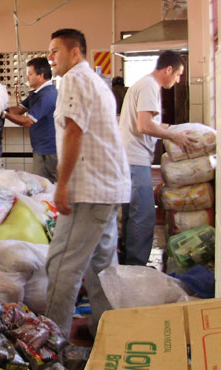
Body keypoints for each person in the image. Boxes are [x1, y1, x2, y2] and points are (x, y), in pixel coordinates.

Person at [44, 29, 131, 338]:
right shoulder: (95, 81)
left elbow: (74, 131)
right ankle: (111, 330)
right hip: (108, 188)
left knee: (62, 265)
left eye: (55, 51)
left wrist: (62, 183)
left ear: (75, 53)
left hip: (89, 189)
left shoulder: (74, 79)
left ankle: (50, 343)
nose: (50, 57)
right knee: (102, 265)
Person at [119, 51, 195, 266]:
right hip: (135, 159)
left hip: (130, 158)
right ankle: (136, 267)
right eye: (178, 75)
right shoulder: (149, 86)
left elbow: (149, 122)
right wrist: (175, 136)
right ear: (168, 69)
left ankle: (129, 264)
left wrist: (173, 128)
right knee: (142, 216)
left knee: (131, 216)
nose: (178, 80)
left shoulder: (145, 85)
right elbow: (143, 125)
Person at [5, 57, 58, 183]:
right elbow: (19, 109)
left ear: (40, 75)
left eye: (30, 73)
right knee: (41, 185)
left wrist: (3, 114)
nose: (27, 77)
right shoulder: (36, 93)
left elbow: (28, 121)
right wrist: (0, 108)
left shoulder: (47, 95)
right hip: (40, 148)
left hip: (50, 151)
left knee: (47, 186)